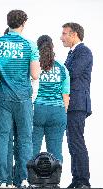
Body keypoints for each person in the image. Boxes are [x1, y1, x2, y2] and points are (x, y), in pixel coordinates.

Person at [0, 9, 41, 188]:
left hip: (2, 97)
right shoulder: (30, 45)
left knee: (2, 138)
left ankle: (3, 180)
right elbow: (35, 75)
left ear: (8, 22)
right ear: (23, 23)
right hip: (23, 98)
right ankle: (24, 179)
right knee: (25, 139)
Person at [60, 22, 93, 188]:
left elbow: (72, 73)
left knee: (77, 142)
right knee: (73, 142)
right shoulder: (72, 53)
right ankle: (77, 180)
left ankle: (82, 181)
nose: (61, 37)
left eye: (65, 34)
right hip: (71, 104)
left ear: (74, 35)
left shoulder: (84, 51)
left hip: (78, 103)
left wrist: (56, 70)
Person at [32, 35, 70, 165]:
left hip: (37, 110)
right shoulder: (62, 67)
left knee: (31, 150)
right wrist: (63, 113)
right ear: (52, 47)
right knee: (55, 152)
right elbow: (66, 94)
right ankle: (54, 182)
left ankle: (29, 181)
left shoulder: (35, 66)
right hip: (57, 111)